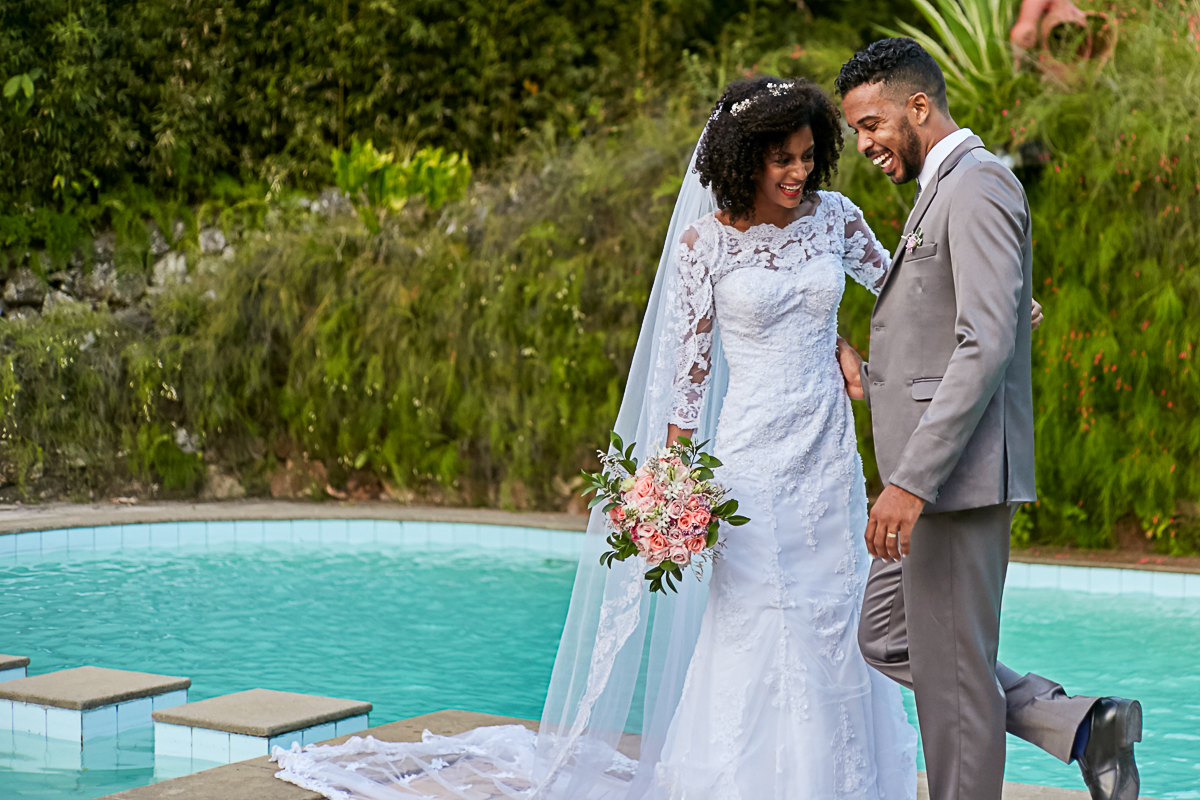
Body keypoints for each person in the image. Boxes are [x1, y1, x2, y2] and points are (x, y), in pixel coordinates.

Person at [270, 74, 1040, 800]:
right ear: (744, 159)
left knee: (837, 616)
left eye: (809, 156)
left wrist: (1004, 301)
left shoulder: (835, 218)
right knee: (757, 619)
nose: (799, 173)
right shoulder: (705, 244)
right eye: (782, 159)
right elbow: (688, 371)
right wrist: (672, 479)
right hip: (751, 460)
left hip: (827, 453)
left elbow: (904, 285)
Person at [835, 37, 1141, 800]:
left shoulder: (977, 186)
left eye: (872, 124)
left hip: (948, 481)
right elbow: (966, 320)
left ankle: (1068, 732)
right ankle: (1076, 724)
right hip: (932, 479)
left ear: (918, 105)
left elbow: (987, 344)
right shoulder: (943, 190)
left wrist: (910, 481)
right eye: (856, 133)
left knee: (954, 683)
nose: (865, 144)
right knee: (888, 636)